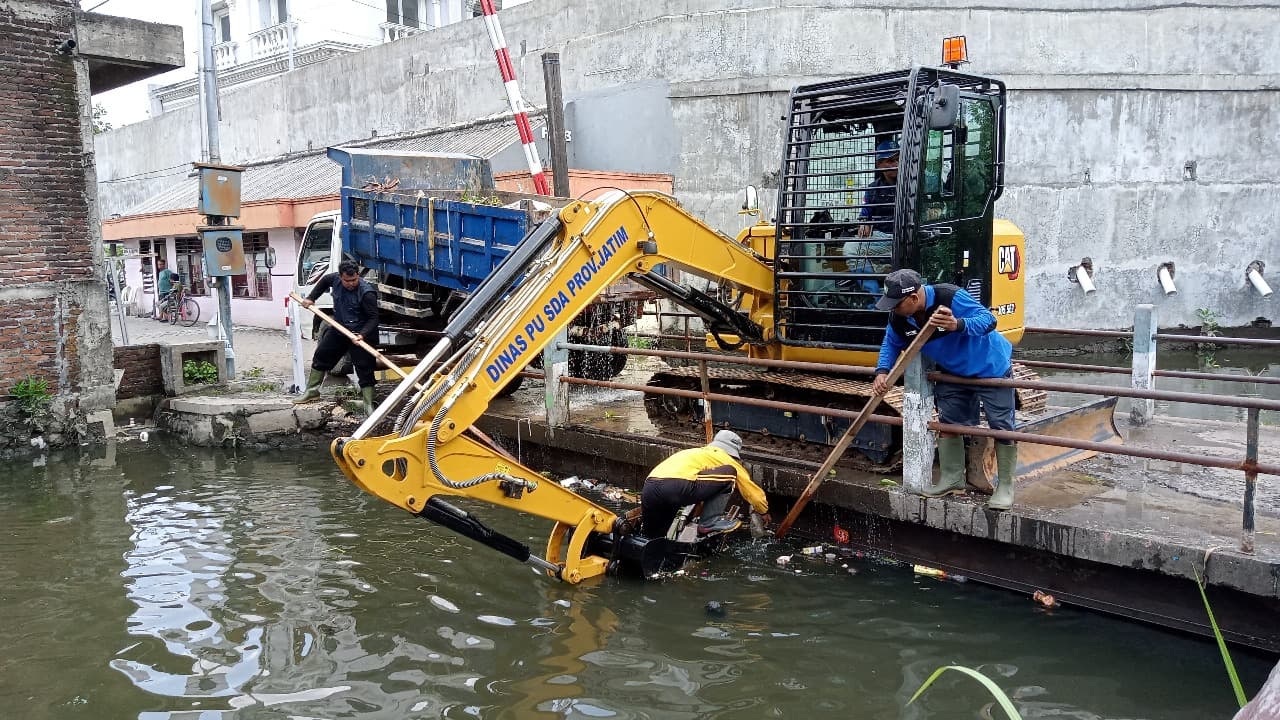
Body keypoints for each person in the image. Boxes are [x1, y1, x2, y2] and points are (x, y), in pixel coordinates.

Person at [871, 269, 1018, 510]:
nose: (892, 310)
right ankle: (952, 479)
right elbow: (891, 342)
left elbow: (989, 321)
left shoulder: (950, 297)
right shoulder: (899, 317)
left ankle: (1005, 487)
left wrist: (957, 324)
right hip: (952, 372)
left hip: (990, 366)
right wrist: (882, 371)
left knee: (1001, 426)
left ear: (913, 299)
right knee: (949, 423)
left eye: (896, 305)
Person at [640, 430, 770, 539]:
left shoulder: (696, 453)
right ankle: (709, 522)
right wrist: (763, 511)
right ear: (733, 451)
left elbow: (701, 484)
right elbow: (752, 492)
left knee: (653, 538)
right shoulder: (726, 459)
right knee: (731, 473)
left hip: (649, 487)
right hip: (677, 487)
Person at [295, 260, 380, 414]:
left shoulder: (367, 292)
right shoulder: (333, 279)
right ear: (340, 277)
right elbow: (324, 281)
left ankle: (369, 403)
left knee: (364, 367)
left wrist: (362, 335)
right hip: (340, 328)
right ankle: (312, 391)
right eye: (347, 281)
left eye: (354, 280)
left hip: (362, 333)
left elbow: (374, 318)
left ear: (358, 276)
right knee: (321, 355)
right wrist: (311, 298)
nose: (351, 283)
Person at [857, 139, 899, 238]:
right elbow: (865, 214)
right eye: (890, 161)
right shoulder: (873, 189)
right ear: (879, 165)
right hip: (882, 236)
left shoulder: (911, 184)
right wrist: (864, 224)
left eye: (898, 159)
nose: (896, 164)